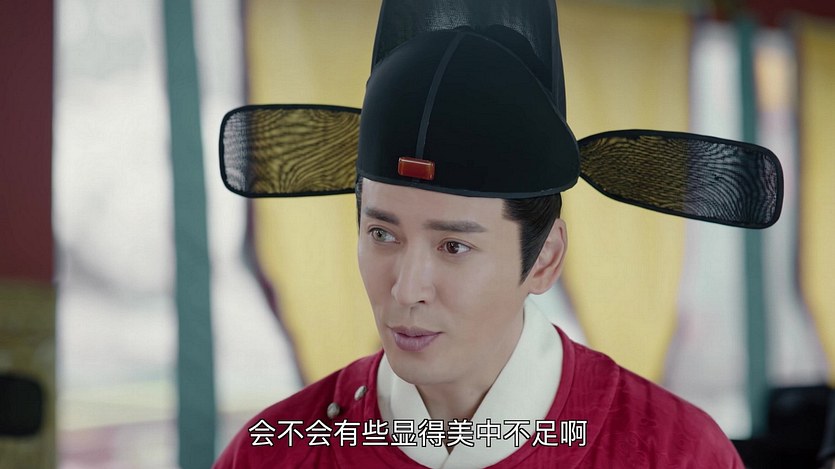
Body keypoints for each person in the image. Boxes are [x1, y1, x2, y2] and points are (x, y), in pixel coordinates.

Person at [214, 0, 783, 467]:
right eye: (383, 234)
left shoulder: (672, 452)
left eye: (454, 246)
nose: (407, 288)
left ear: (544, 258)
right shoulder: (275, 452)